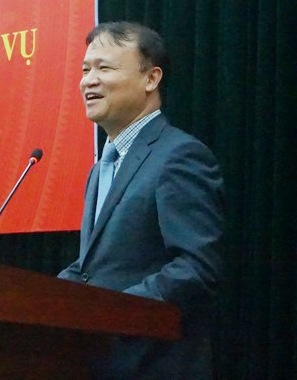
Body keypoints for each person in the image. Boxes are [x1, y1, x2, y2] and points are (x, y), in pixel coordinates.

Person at [58, 21, 224, 379]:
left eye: (104, 68)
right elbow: (94, 269)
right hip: (99, 363)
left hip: (155, 365)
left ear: (151, 79)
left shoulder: (180, 156)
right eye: (85, 70)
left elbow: (196, 268)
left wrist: (110, 311)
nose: (88, 81)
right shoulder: (101, 167)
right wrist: (42, 299)